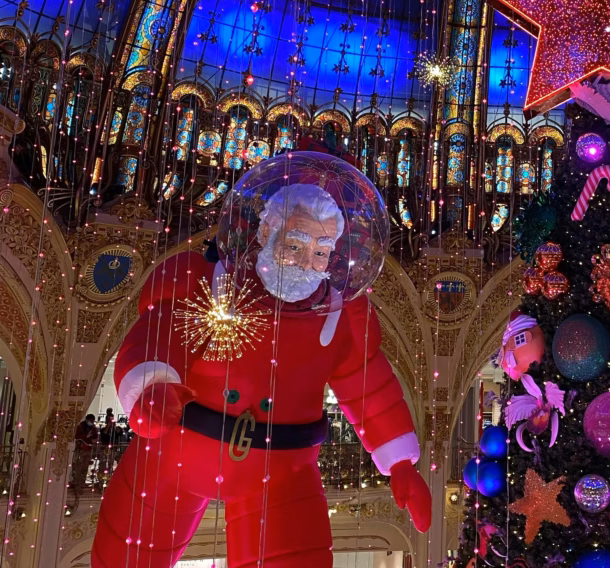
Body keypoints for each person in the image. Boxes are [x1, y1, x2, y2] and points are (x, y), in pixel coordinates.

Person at [92, 174, 431, 568]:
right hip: (176, 454)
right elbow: (161, 333)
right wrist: (152, 385)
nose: (308, 261)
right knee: (125, 557)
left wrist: (401, 464)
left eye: (321, 252)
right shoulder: (209, 285)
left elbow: (369, 387)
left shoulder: (340, 318)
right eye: (295, 244)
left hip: (282, 472)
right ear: (267, 231)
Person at [71, 414, 98, 490]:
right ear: (87, 420)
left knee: (85, 466)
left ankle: (82, 481)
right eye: (90, 421)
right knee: (79, 465)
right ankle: (77, 480)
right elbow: (77, 437)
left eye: (93, 421)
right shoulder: (80, 427)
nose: (92, 422)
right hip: (81, 449)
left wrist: (94, 439)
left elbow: (95, 436)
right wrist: (86, 436)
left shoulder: (93, 428)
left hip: (89, 448)